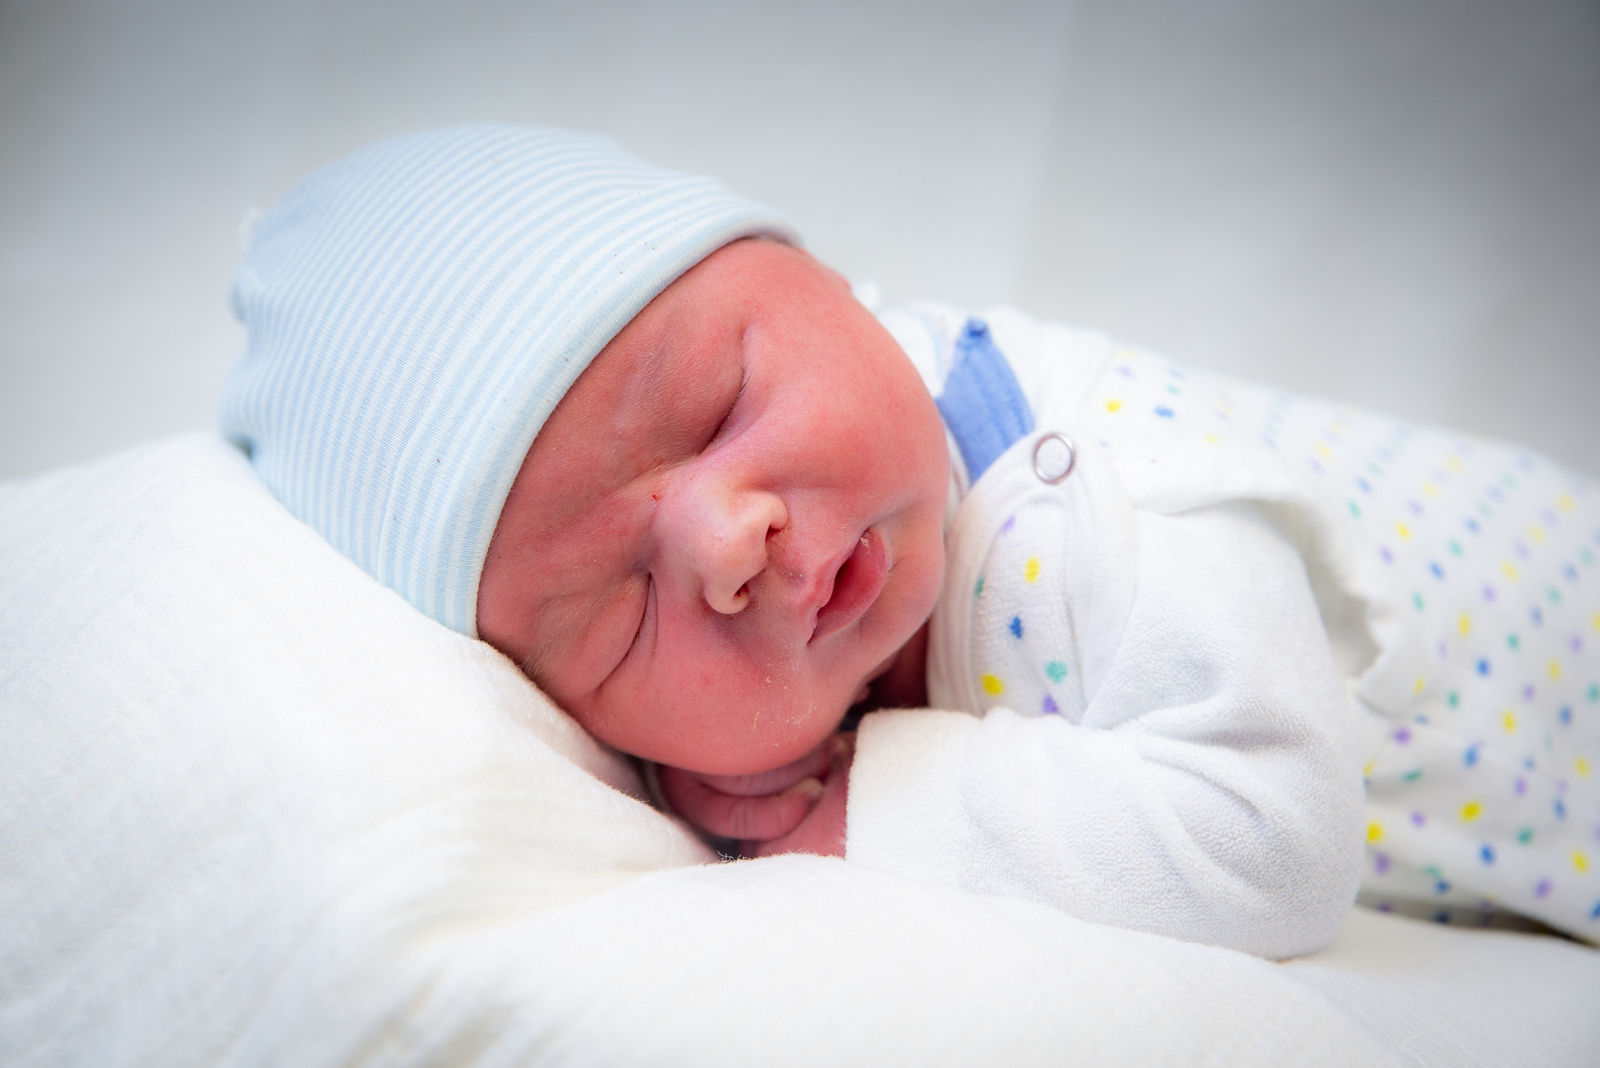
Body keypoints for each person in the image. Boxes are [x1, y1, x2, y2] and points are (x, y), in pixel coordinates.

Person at [222, 123, 1599, 958]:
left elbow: (1281, 849)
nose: (726, 544)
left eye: (722, 403)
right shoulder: (780, 660)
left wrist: (852, 811)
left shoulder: (1093, 490)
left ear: (831, 279)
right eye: (622, 614)